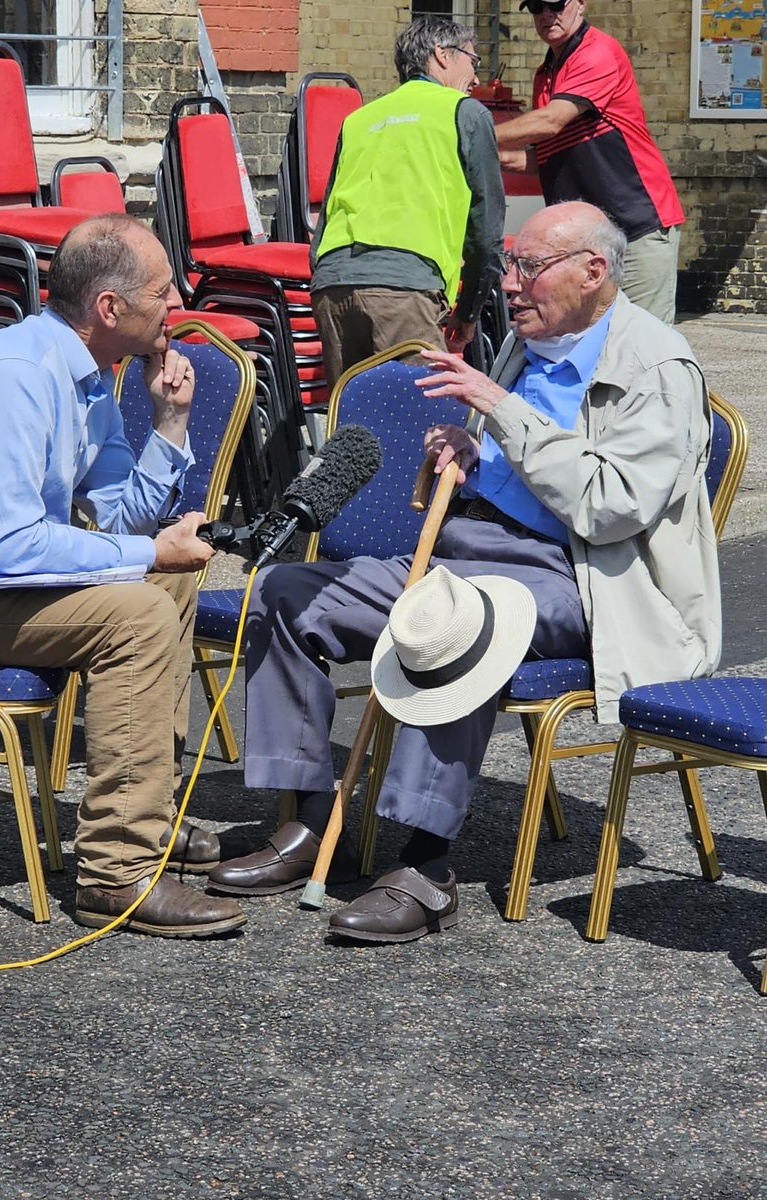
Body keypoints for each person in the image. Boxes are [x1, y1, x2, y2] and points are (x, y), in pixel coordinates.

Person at [208, 201, 720, 944]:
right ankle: (312, 823)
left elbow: (611, 509)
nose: (511, 284)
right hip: (466, 551)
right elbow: (518, 460)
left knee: (458, 622)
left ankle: (425, 864)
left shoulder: (658, 365)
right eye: (511, 265)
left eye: (531, 268)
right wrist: (472, 455)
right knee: (289, 594)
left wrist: (500, 410)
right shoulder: (529, 338)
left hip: (586, 581)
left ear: (595, 271)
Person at [0, 213, 246, 939]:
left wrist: (168, 424)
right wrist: (146, 555)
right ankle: (116, 876)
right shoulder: (15, 373)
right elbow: (11, 545)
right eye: (165, 292)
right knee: (136, 611)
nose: (178, 303)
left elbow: (122, 517)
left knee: (165, 586)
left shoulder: (88, 380)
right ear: (111, 308)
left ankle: (148, 815)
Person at [310, 14, 506, 387]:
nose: (477, 77)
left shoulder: (359, 119)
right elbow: (486, 233)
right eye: (473, 61)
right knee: (421, 431)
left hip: (332, 285)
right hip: (403, 289)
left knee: (352, 429)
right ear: (442, 55)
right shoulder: (464, 113)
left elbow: (327, 216)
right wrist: (468, 314)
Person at [493, 0, 684, 325]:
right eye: (536, 7)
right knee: (590, 341)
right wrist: (483, 155)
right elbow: (550, 156)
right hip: (588, 242)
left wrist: (470, 134)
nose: (546, 15)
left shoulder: (597, 52)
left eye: (555, 4)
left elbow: (551, 122)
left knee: (641, 344)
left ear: (580, 4)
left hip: (636, 225)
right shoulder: (547, 73)